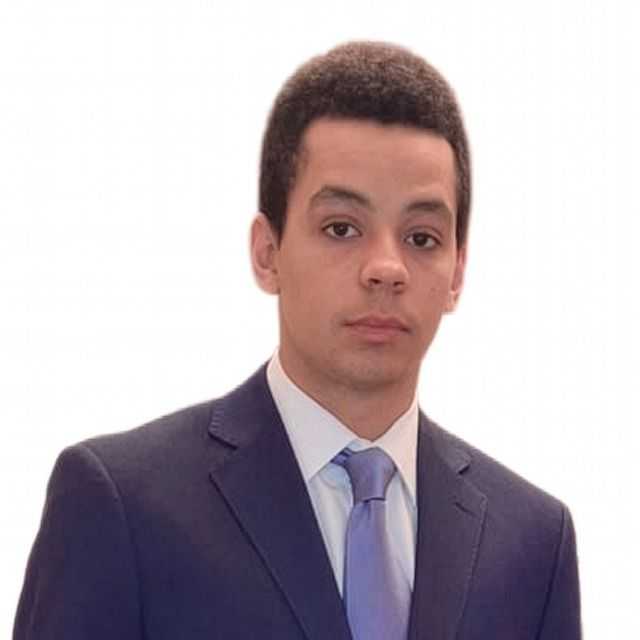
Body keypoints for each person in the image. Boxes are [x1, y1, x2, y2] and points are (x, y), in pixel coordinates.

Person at [14, 41, 581, 639]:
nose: (386, 268)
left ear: (457, 273)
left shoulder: (532, 544)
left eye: (421, 237)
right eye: (342, 228)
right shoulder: (123, 506)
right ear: (268, 253)